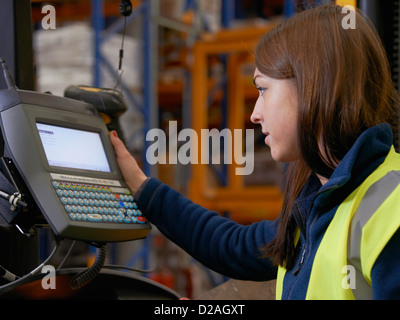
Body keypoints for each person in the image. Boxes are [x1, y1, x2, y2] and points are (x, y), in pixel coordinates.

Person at [110, 4, 400, 299]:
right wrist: (141, 186)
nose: (255, 114)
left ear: (312, 85)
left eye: (263, 89)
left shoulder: (390, 209)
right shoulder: (320, 199)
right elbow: (233, 245)